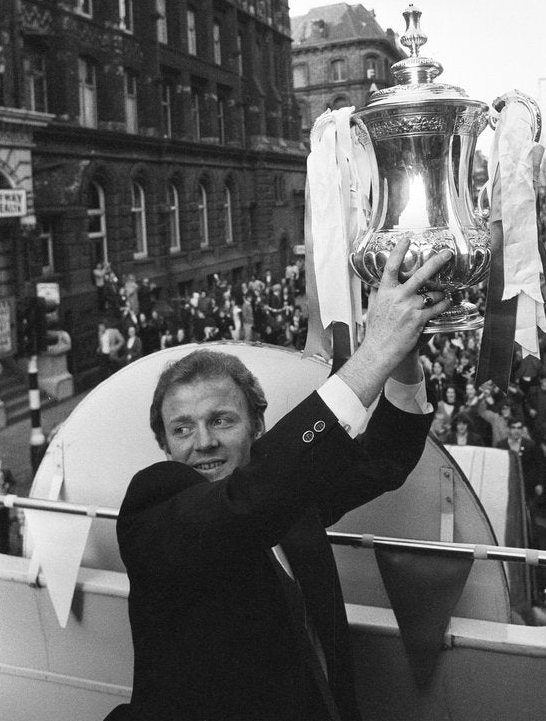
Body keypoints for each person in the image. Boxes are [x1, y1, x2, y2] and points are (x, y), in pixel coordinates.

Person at [108, 239, 452, 721]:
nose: (202, 441)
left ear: (257, 427)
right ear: (164, 445)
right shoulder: (152, 512)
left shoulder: (287, 500)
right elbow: (246, 503)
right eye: (181, 428)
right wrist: (372, 352)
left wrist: (403, 354)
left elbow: (385, 457)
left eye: (221, 420)